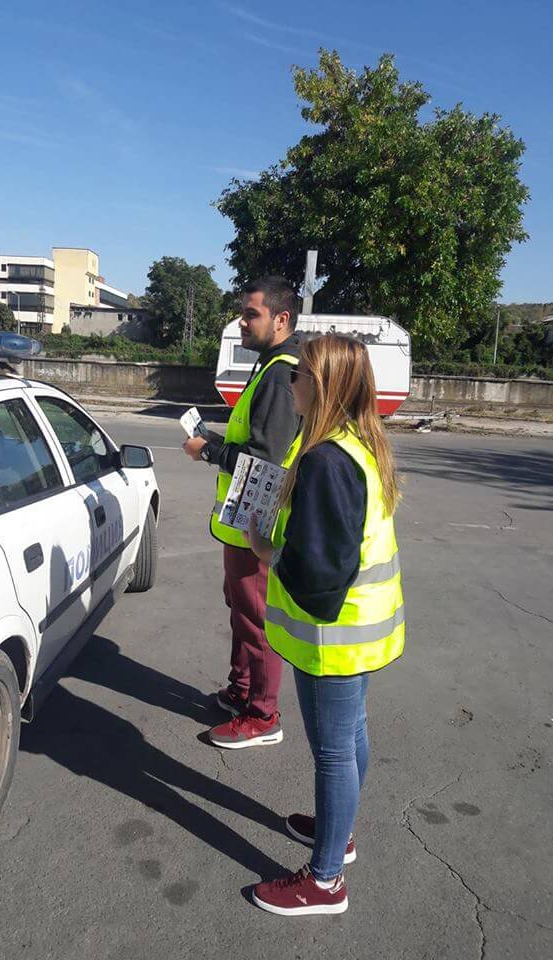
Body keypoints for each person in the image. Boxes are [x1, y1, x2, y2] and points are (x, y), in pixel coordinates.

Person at [244, 333, 404, 916]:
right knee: (351, 737)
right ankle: (339, 832)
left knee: (334, 752)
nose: (290, 385)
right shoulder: (361, 442)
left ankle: (326, 879)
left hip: (333, 637)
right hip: (363, 630)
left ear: (326, 385)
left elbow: (320, 571)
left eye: (300, 376)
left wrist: (265, 547)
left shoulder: (325, 460)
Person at [182, 277, 301, 749]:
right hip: (244, 518)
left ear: (281, 319)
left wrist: (209, 453)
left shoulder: (279, 374)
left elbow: (265, 461)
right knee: (241, 610)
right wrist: (214, 440)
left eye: (251, 313)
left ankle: (262, 715)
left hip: (257, 520)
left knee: (256, 617)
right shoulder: (270, 366)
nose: (241, 321)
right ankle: (243, 691)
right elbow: (253, 442)